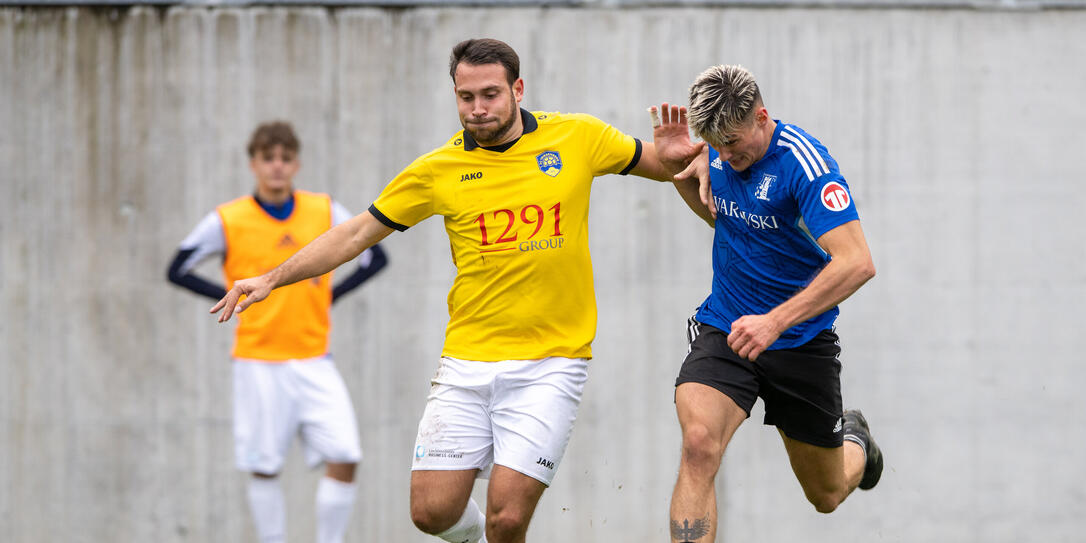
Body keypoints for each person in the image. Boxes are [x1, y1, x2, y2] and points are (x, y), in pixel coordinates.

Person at [210, 39, 702, 543]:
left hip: (551, 362)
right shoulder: (436, 169)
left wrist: (691, 160)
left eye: (490, 94)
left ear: (517, 89)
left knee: (507, 518)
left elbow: (668, 165)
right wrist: (271, 278)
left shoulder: (578, 136)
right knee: (431, 513)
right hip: (466, 361)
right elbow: (356, 234)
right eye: (466, 97)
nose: (478, 108)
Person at [651, 65, 883, 543]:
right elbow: (724, 218)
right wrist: (678, 171)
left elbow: (857, 262)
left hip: (799, 339)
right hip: (727, 326)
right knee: (699, 445)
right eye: (715, 145)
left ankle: (857, 440)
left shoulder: (805, 165)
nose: (725, 155)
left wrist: (774, 322)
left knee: (826, 494)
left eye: (733, 143)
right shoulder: (718, 151)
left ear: (761, 117)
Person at [167, 121, 388, 543]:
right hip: (258, 362)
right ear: (253, 164)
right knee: (264, 465)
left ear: (296, 164)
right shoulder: (228, 219)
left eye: (285, 158)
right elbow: (177, 268)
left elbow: (374, 256)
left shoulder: (324, 210)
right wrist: (231, 297)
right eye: (268, 158)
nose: (277, 166)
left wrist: (331, 296)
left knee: (345, 454)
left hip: (314, 357)